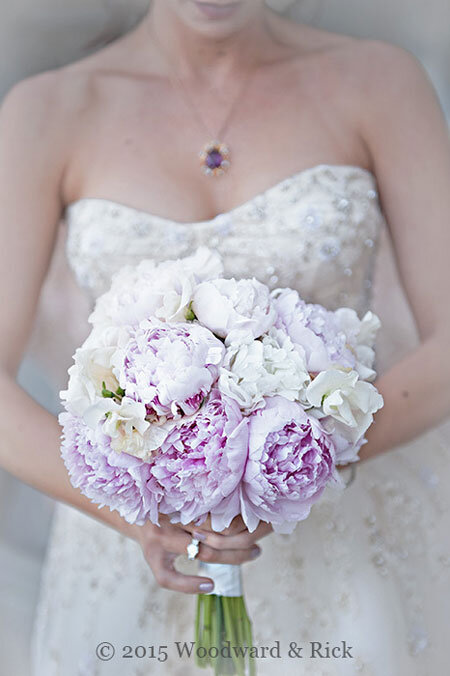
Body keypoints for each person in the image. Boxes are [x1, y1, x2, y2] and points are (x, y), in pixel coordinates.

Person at [0, 1, 449, 674]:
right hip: (129, 554)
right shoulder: (46, 110)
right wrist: (144, 523)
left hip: (349, 530)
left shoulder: (381, 82)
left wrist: (299, 464)